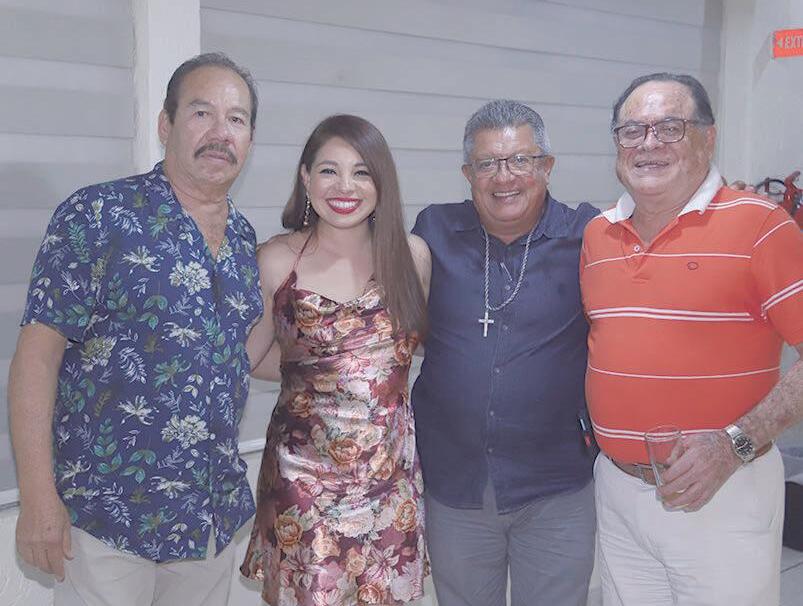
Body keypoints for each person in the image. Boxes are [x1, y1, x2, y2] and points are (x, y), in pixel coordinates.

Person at [8, 52, 262, 605]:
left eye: (237, 119)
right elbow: (37, 355)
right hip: (106, 521)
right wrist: (37, 495)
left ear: (249, 139)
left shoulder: (246, 242)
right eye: (201, 113)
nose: (221, 133)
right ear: (166, 125)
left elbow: (239, 358)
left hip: (207, 521)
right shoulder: (98, 215)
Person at [580, 72, 803, 605]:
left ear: (708, 137)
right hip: (617, 492)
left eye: (670, 127)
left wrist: (734, 444)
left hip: (723, 493)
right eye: (632, 130)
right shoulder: (597, 234)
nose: (648, 143)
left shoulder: (761, 225)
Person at [410, 100, 599, 606]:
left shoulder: (588, 235)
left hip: (556, 484)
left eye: (520, 160)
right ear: (467, 174)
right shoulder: (434, 232)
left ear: (547, 166)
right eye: (487, 164)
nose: (504, 177)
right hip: (457, 485)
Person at [240, 114, 432, 606]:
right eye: (329, 170)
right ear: (306, 178)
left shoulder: (412, 257)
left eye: (362, 172)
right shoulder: (276, 260)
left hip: (389, 483)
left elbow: (405, 355)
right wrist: (321, 373)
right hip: (302, 484)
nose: (345, 186)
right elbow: (252, 358)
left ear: (382, 183)